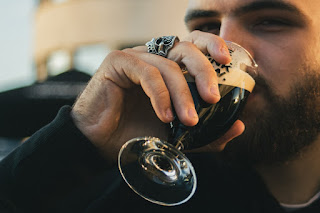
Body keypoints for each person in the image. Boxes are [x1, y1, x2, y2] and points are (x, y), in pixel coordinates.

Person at [1, 0, 320, 212]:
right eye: (207, 27)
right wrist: (80, 140)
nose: (224, 47)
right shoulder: (150, 189)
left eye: (270, 21)